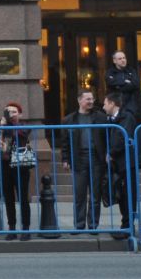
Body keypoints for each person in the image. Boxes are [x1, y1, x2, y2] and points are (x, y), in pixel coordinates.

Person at [58, 88, 102, 233]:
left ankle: (93, 225)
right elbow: (64, 142)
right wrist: (65, 159)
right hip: (79, 158)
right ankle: (79, 224)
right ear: (79, 100)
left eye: (92, 99)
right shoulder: (69, 119)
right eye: (87, 99)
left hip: (96, 158)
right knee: (79, 194)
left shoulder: (100, 117)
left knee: (95, 194)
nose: (91, 102)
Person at [0, 102, 36, 240]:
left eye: (14, 112)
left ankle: (25, 229)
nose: (11, 114)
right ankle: (12, 228)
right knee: (8, 198)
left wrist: (6, 125)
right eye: (8, 112)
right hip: (5, 164)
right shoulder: (2, 127)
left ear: (20, 114)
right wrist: (3, 126)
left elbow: (19, 134)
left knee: (23, 198)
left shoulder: (23, 127)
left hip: (21, 165)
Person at [99, 93, 135, 241]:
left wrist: (111, 153)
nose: (103, 106)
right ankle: (125, 225)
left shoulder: (126, 117)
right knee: (121, 195)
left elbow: (121, 136)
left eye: (105, 103)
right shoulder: (111, 118)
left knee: (128, 195)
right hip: (118, 164)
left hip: (127, 162)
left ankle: (128, 227)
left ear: (113, 103)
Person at [105, 50, 141, 115]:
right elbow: (110, 82)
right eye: (120, 59)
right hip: (115, 107)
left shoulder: (131, 71)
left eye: (124, 58)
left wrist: (118, 86)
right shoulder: (110, 72)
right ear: (114, 61)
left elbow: (136, 84)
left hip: (130, 107)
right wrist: (125, 81)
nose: (123, 60)